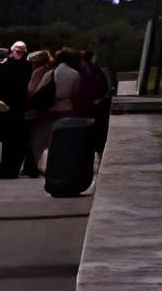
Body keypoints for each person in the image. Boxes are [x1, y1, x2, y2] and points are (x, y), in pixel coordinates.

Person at [35, 47, 109, 200]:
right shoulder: (75, 73)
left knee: (47, 142)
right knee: (67, 143)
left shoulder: (51, 73)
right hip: (68, 109)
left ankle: (46, 169)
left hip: (50, 111)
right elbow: (78, 92)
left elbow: (37, 90)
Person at [0, 41, 29, 179]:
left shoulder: (4, 66)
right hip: (21, 106)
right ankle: (13, 169)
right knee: (17, 140)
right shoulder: (28, 67)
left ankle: (5, 169)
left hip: (6, 107)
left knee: (7, 140)